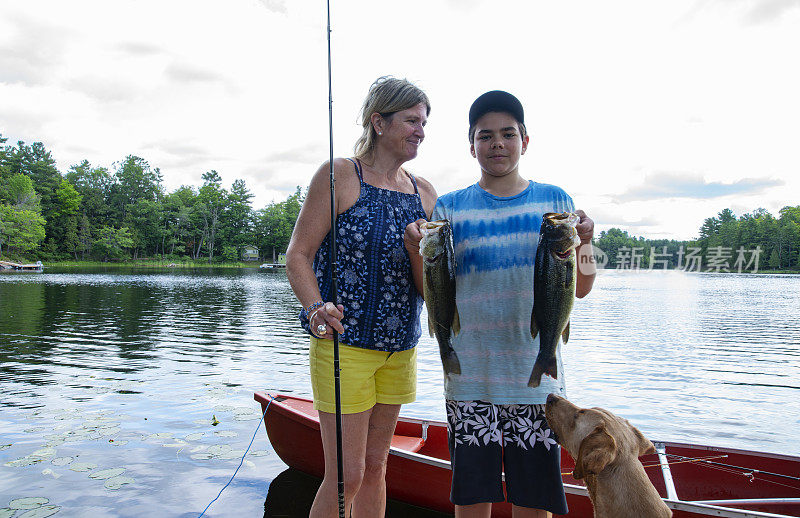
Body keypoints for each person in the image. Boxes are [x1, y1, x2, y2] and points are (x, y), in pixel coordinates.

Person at [405, 90, 596, 518]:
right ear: (470, 145)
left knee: (534, 498)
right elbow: (432, 291)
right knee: (472, 496)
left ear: (525, 141)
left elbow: (580, 288)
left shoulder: (556, 201)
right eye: (485, 135)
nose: (497, 144)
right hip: (469, 378)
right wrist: (417, 249)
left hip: (536, 382)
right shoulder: (449, 208)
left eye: (507, 134)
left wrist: (586, 242)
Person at [285, 76, 437, 517]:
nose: (420, 131)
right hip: (343, 346)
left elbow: (429, 285)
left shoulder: (423, 193)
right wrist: (315, 308)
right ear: (379, 121)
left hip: (400, 348)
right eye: (411, 120)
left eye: (424, 122)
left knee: (375, 468)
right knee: (345, 476)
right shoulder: (339, 175)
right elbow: (299, 255)